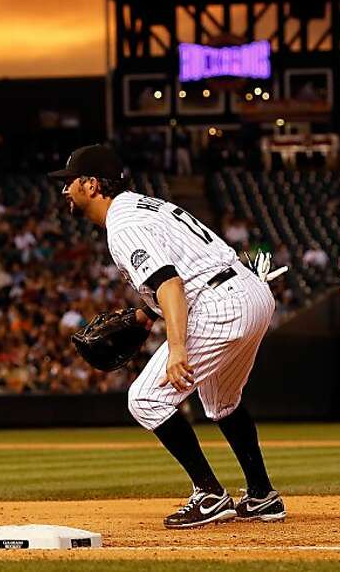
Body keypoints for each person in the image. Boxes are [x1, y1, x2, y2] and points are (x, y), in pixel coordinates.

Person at [49, 144, 284, 529]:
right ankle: (262, 495)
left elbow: (171, 284)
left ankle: (209, 494)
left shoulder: (123, 226)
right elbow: (183, 272)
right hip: (251, 294)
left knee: (145, 399)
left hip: (219, 305)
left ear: (91, 185)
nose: (65, 191)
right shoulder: (144, 205)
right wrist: (145, 316)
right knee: (222, 401)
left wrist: (177, 349)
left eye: (69, 182)